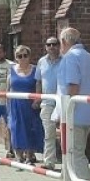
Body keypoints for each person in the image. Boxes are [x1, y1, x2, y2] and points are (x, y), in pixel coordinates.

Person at [55, 28, 90, 181]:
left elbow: (72, 86)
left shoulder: (69, 58)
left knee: (75, 155)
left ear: (64, 42)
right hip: (86, 113)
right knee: (72, 153)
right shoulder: (88, 57)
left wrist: (65, 114)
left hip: (73, 115)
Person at [4, 45, 45, 163]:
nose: (22, 58)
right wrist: (8, 107)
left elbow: (39, 86)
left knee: (30, 128)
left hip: (30, 105)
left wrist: (37, 101)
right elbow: (8, 89)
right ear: (16, 58)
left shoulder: (36, 70)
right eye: (19, 56)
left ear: (29, 56)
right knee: (15, 128)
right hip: (15, 105)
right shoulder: (11, 71)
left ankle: (30, 155)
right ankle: (19, 155)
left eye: (25, 56)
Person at [36, 36, 64, 167]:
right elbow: (38, 81)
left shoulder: (65, 61)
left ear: (59, 46)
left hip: (62, 102)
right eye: (49, 44)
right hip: (47, 102)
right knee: (49, 134)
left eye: (54, 44)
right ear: (46, 47)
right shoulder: (42, 62)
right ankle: (49, 162)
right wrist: (37, 97)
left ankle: (68, 163)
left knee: (65, 133)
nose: (52, 47)